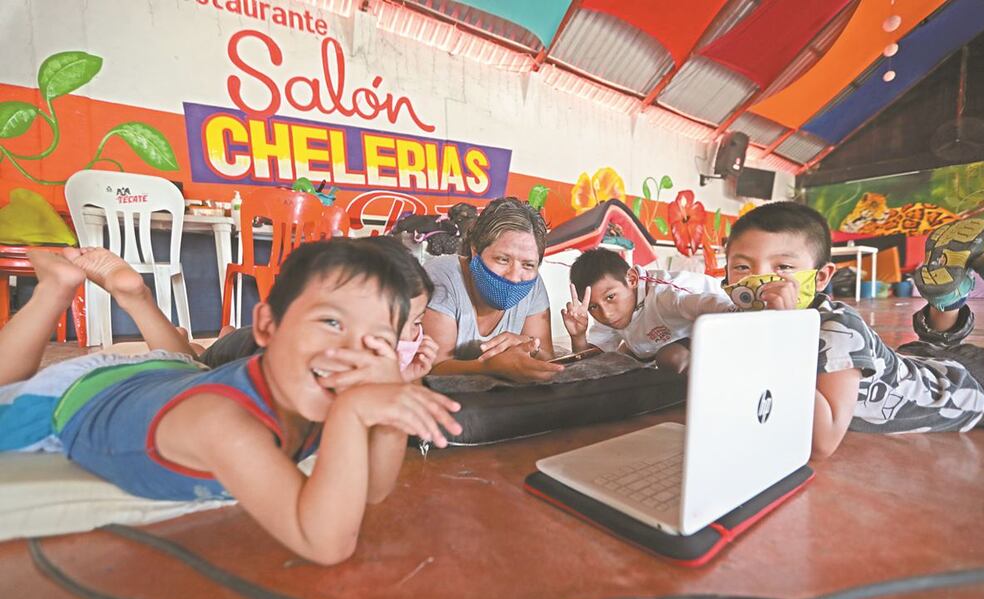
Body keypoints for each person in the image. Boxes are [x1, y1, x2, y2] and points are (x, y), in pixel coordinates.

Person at [0, 242, 461, 565]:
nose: (350, 353)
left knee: (188, 368)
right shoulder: (225, 425)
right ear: (266, 325)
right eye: (330, 321)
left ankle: (134, 295)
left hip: (171, 377)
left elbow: (373, 493)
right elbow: (324, 543)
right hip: (83, 392)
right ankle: (55, 290)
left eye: (377, 341)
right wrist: (353, 412)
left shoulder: (315, 386)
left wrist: (394, 402)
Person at [724, 201, 984, 460]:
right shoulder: (736, 319)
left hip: (970, 387)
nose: (757, 281)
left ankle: (952, 296)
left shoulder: (837, 329)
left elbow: (822, 442)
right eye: (742, 267)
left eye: (782, 267)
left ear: (821, 277)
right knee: (930, 350)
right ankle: (947, 299)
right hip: (918, 360)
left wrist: (780, 335)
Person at [198, 235, 440, 383]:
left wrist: (401, 379)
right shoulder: (283, 367)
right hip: (221, 358)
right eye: (392, 325)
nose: (409, 337)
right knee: (191, 358)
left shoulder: (345, 354)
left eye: (417, 323)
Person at [422, 197, 563, 383]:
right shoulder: (441, 278)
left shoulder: (534, 285)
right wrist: (490, 367)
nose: (514, 276)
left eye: (528, 264)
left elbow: (548, 361)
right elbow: (432, 368)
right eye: (502, 259)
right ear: (475, 250)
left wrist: (529, 347)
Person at [561, 248, 735, 373]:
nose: (606, 313)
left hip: (712, 328)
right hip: (657, 341)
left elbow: (713, 303)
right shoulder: (607, 314)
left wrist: (737, 314)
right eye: (593, 306)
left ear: (632, 279)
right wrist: (578, 337)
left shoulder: (667, 294)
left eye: (610, 297)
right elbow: (591, 361)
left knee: (670, 357)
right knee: (619, 360)